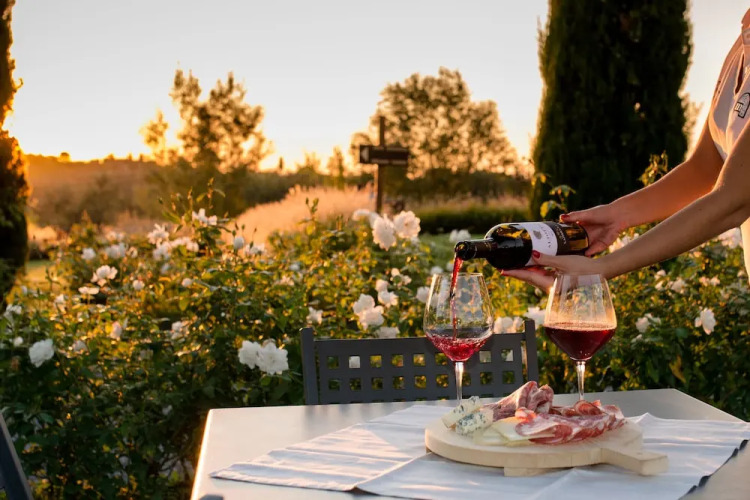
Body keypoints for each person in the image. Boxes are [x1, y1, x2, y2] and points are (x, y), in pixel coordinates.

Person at [505, 8, 750, 290]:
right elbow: (705, 169)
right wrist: (617, 216)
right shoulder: (741, 44)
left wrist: (601, 269)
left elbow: (735, 198)